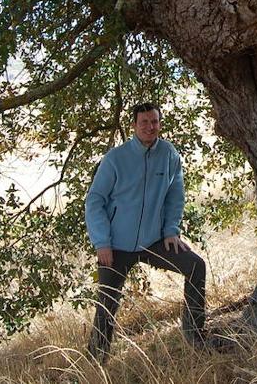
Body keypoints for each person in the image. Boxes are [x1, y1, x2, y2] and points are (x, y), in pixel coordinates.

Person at [84, 102, 209, 362]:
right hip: (116, 245)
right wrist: (101, 242)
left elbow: (176, 196)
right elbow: (94, 200)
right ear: (134, 125)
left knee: (196, 266)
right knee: (108, 301)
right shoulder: (116, 158)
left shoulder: (168, 154)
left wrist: (171, 230)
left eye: (154, 122)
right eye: (144, 122)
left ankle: (195, 336)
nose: (150, 127)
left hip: (154, 241)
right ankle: (96, 359)